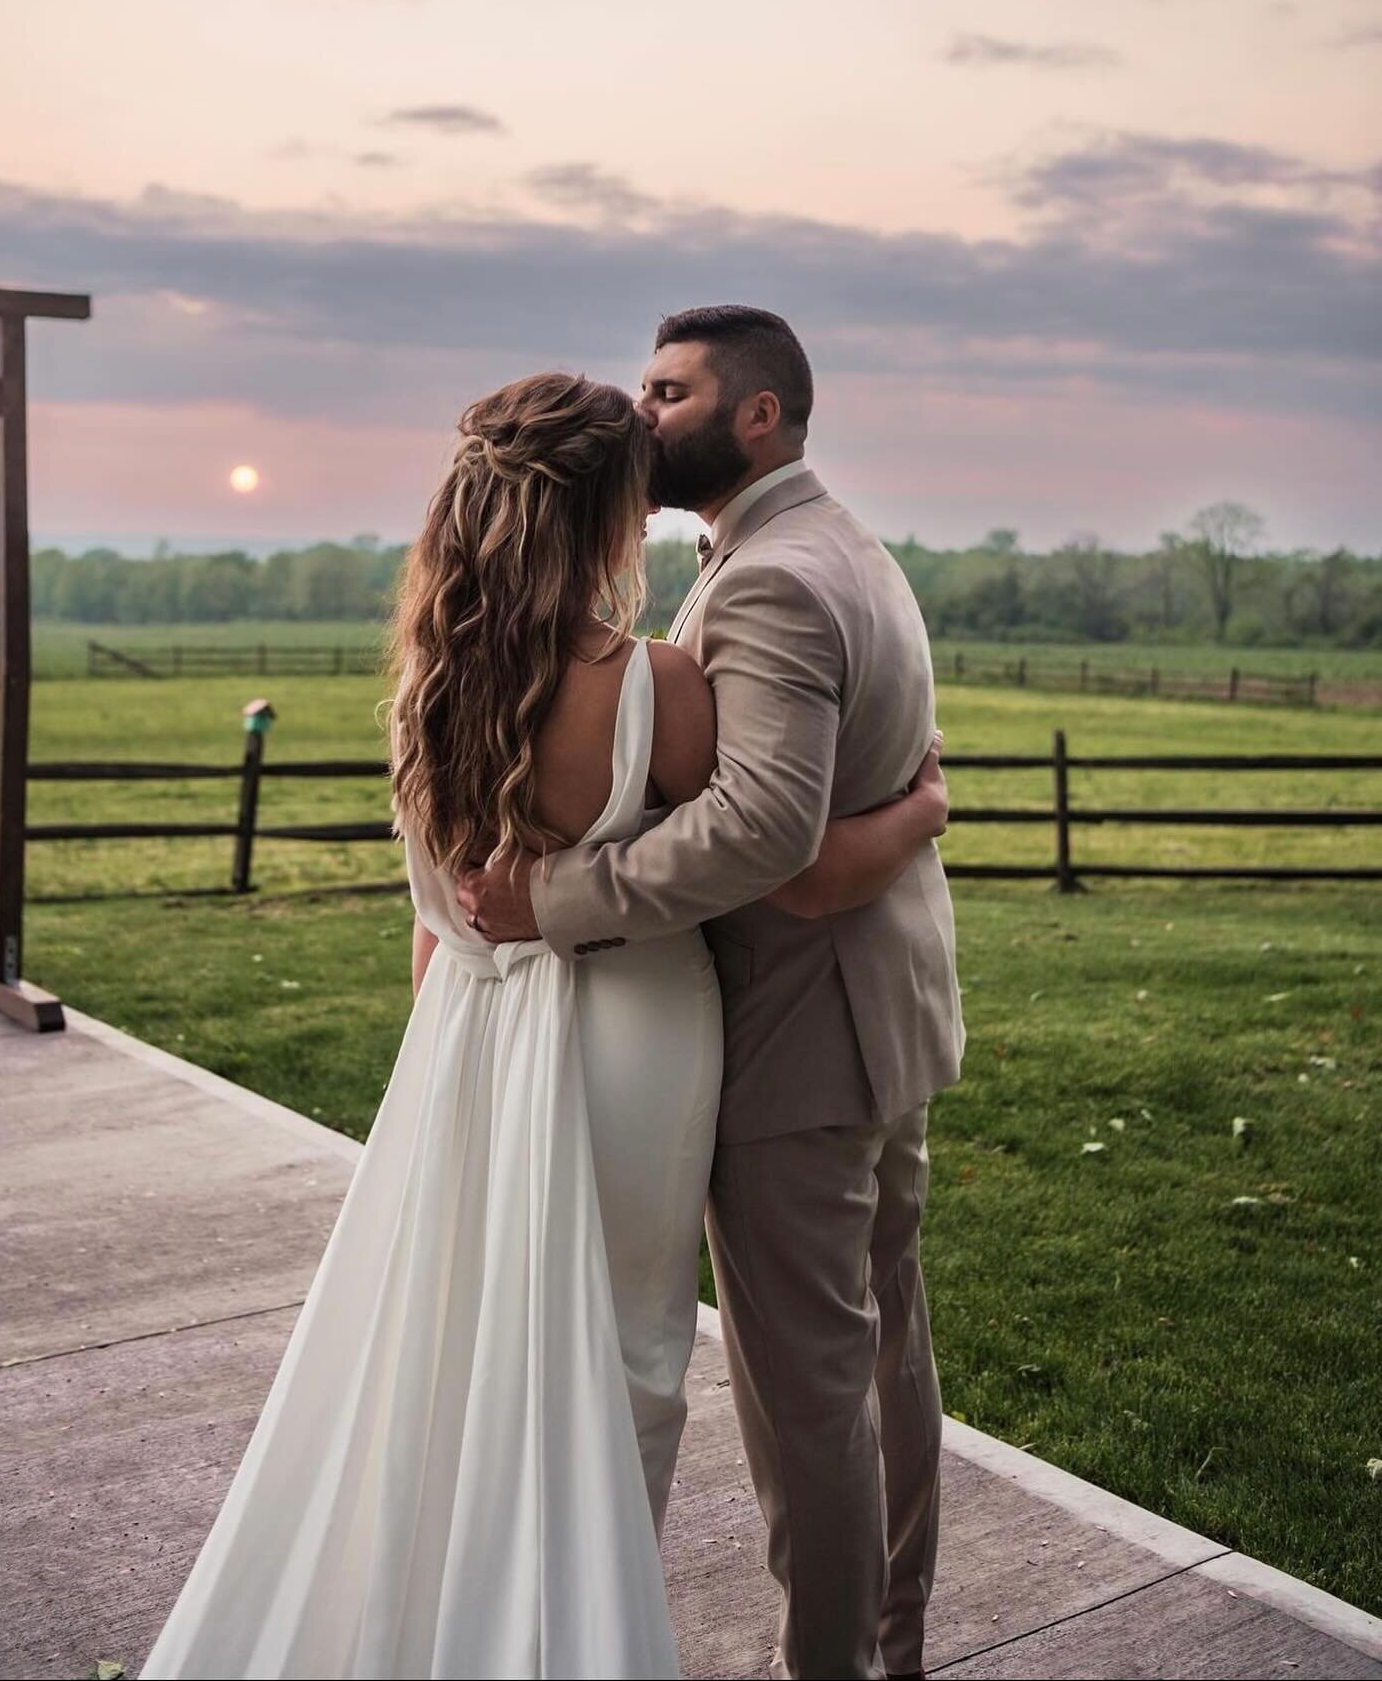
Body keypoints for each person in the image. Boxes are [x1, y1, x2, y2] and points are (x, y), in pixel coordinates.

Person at [140, 369, 947, 1680]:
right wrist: (913, 814)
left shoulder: (425, 687)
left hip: (463, 1031)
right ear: (603, 521)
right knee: (622, 1358)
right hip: (633, 1043)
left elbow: (434, 923)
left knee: (464, 1347)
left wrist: (463, 1055)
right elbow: (780, 859)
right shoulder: (658, 687)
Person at [460, 312, 965, 1681]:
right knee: (880, 1356)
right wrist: (916, 814)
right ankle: (892, 1642)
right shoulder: (836, 544)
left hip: (807, 1037)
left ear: (758, 416)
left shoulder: (767, 582)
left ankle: (839, 1663)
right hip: (884, 1012)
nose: (644, 411)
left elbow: (763, 836)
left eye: (670, 390)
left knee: (809, 1396)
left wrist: (554, 901)